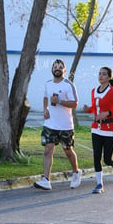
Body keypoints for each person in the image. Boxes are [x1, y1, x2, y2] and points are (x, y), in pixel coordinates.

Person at [34, 59, 82, 190]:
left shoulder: (68, 85)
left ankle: (76, 173)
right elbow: (45, 97)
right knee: (48, 150)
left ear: (64, 71)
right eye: (55, 66)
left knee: (68, 151)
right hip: (50, 124)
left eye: (60, 67)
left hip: (65, 125)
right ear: (51, 70)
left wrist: (59, 101)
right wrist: (45, 109)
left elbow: (75, 103)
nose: (57, 68)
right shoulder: (48, 84)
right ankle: (46, 179)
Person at [83, 67, 113, 194]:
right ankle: (99, 184)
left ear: (109, 77)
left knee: (107, 159)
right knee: (96, 156)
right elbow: (96, 108)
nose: (101, 76)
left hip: (110, 130)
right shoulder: (94, 91)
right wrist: (89, 109)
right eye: (99, 74)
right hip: (96, 128)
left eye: (104, 74)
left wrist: (108, 113)